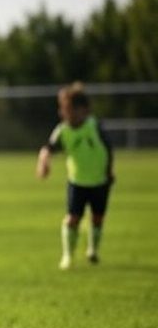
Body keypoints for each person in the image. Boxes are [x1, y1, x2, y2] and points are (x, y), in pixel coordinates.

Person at [36, 82, 114, 270]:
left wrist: (110, 170)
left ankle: (93, 250)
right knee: (72, 218)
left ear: (83, 110)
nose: (65, 114)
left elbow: (109, 149)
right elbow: (47, 148)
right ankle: (68, 256)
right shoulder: (63, 130)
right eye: (63, 110)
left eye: (69, 109)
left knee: (97, 218)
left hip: (100, 181)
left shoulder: (94, 126)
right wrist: (43, 162)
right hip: (77, 181)